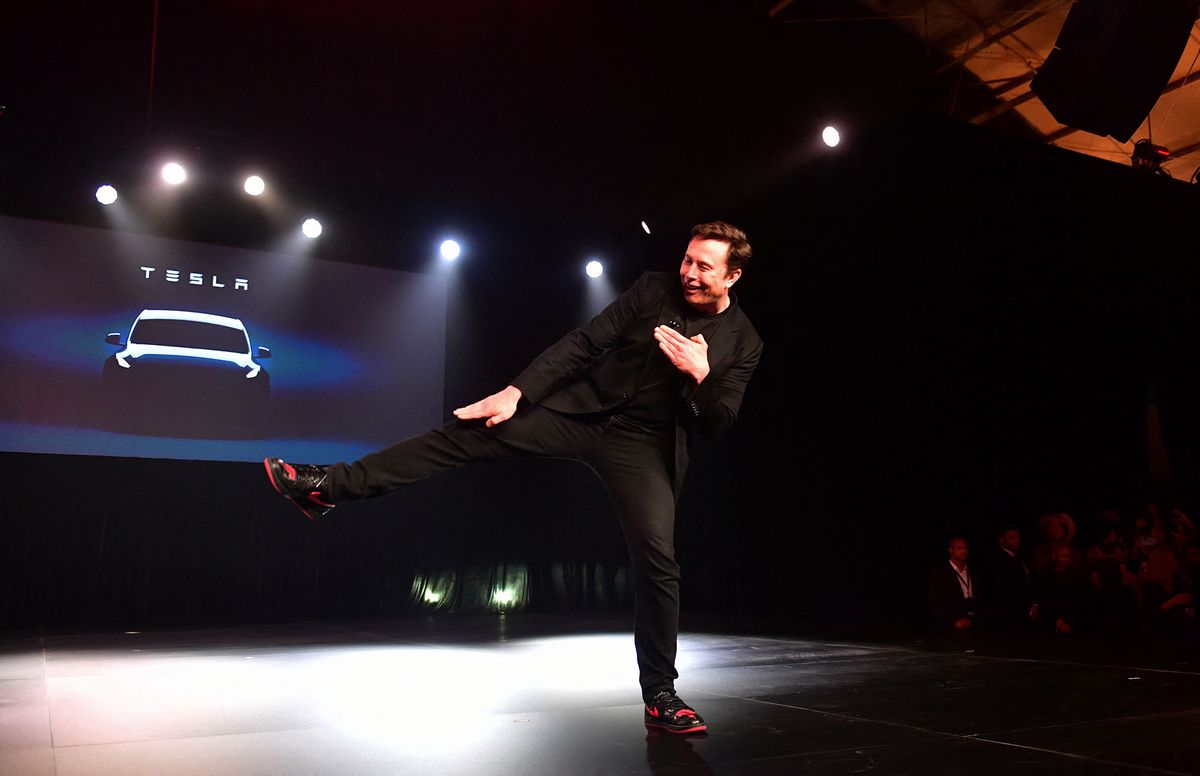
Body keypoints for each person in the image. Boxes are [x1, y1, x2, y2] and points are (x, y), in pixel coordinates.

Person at [264, 221, 762, 735]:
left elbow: (720, 422)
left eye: (705, 266)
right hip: (581, 413)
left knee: (658, 560)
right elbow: (586, 342)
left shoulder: (744, 342)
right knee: (468, 433)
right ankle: (327, 487)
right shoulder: (652, 288)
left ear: (733, 276)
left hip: (644, 445)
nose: (690, 273)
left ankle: (660, 694)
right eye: (688, 260)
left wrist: (700, 378)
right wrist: (516, 392)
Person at [988, 526, 1038, 632]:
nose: (1017, 541)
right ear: (1002, 540)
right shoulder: (997, 561)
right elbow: (1002, 591)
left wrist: (1033, 604)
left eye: (1017, 538)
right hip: (1008, 617)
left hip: (1025, 615)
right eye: (1012, 538)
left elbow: (1030, 583)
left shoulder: (1021, 558)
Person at [929, 537, 977, 630]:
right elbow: (935, 604)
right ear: (951, 550)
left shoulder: (974, 571)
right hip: (953, 625)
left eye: (965, 548)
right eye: (959, 548)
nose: (964, 551)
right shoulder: (940, 574)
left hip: (975, 623)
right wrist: (952, 622)